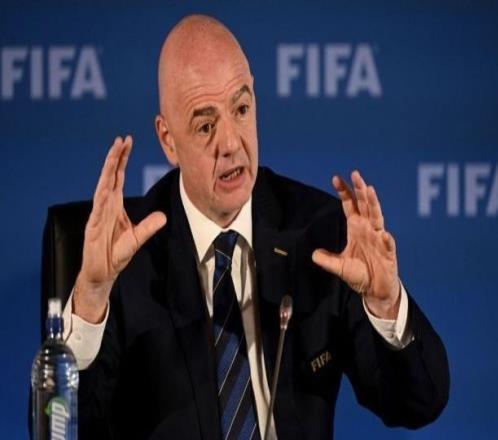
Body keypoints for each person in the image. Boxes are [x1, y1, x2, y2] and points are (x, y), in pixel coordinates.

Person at [62, 14, 449, 439]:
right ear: (168, 140)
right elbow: (58, 430)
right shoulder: (125, 258)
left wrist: (385, 304)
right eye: (206, 125)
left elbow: (419, 403)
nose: (231, 143)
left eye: (241, 110)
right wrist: (91, 296)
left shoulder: (318, 234)